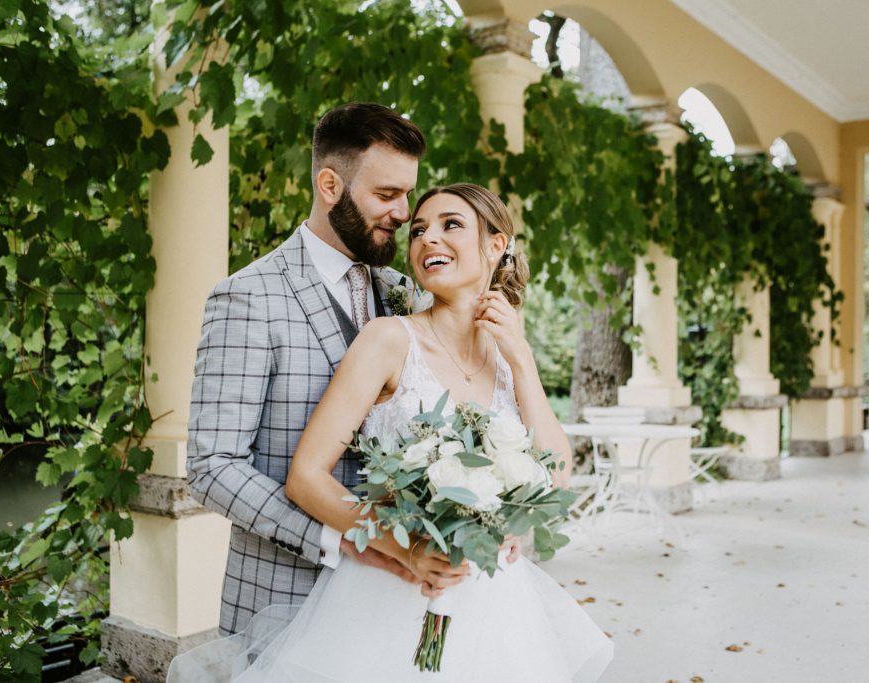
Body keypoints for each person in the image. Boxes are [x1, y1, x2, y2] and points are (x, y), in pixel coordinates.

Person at [172, 184, 613, 681]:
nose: (427, 239)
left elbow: (554, 479)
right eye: (419, 230)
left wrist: (523, 362)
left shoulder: (510, 357)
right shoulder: (388, 339)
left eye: (451, 225)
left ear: (497, 245)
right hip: (387, 596)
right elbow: (307, 475)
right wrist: (406, 549)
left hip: (494, 607)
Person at [186, 102, 444, 637]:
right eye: (386, 194)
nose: (404, 213)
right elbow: (212, 466)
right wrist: (342, 538)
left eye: (407, 193)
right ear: (330, 185)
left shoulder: (404, 294)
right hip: (285, 598)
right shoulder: (248, 297)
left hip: (394, 604)